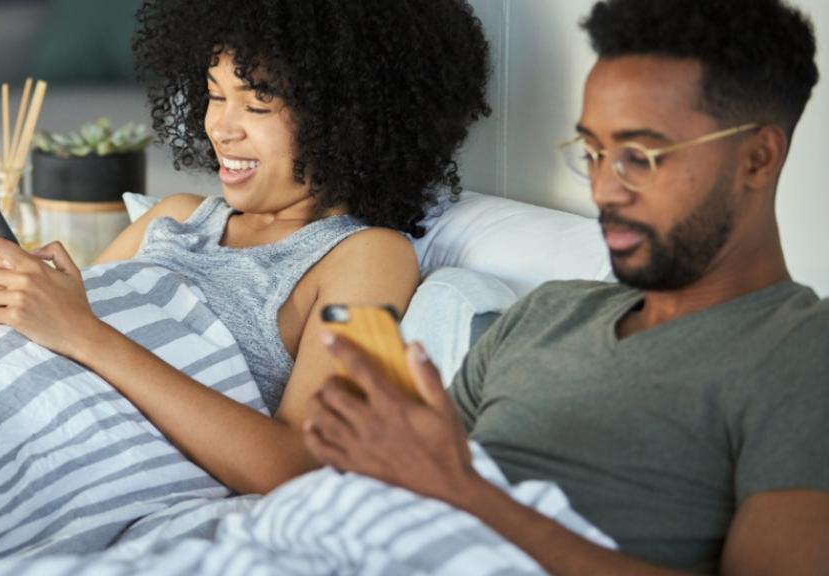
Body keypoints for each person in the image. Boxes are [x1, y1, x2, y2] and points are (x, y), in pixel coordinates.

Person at [303, 0, 829, 574]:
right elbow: (416, 497)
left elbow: (450, 485)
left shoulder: (804, 352)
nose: (605, 189)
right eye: (594, 153)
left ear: (757, 157)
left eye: (640, 157)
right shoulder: (545, 314)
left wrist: (466, 492)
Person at [0, 0, 490, 496]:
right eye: (214, 95)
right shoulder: (174, 214)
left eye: (258, 104)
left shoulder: (366, 257)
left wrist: (83, 332)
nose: (220, 128)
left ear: (350, 116)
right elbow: (46, 338)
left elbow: (297, 467)